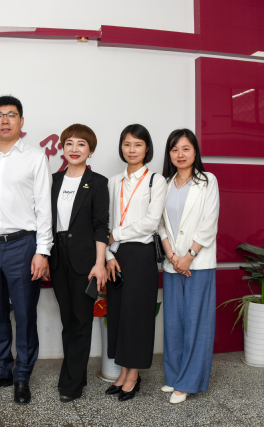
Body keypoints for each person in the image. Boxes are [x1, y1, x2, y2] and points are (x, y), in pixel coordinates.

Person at [0, 96, 52, 405]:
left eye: (11, 115)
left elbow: (44, 207)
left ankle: (22, 375)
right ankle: (2, 369)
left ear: (21, 121)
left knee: (26, 314)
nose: (5, 120)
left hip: (23, 246)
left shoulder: (35, 157)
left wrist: (42, 251)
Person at [105, 124, 167, 401]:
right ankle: (122, 371)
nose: (132, 150)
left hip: (141, 255)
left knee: (138, 315)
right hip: (116, 255)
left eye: (138, 144)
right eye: (127, 144)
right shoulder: (113, 181)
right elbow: (106, 221)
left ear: (147, 148)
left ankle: (134, 375)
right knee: (118, 314)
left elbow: (151, 223)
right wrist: (108, 256)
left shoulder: (156, 180)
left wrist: (116, 234)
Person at [158, 129, 219, 404]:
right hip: (173, 263)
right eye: (174, 150)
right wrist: (173, 256)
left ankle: (188, 382)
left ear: (195, 151)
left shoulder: (207, 181)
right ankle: (174, 377)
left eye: (185, 149)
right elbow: (160, 224)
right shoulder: (164, 183)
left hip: (198, 263)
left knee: (196, 323)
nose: (180, 154)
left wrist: (189, 256)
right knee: (173, 323)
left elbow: (209, 223)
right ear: (169, 154)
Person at [49, 124, 109, 402]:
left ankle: (71, 384)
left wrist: (100, 263)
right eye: (69, 143)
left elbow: (101, 226)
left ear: (91, 150)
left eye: (81, 144)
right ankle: (76, 374)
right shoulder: (52, 181)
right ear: (62, 148)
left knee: (81, 320)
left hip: (86, 260)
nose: (74, 149)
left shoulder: (97, 182)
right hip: (57, 257)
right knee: (67, 319)